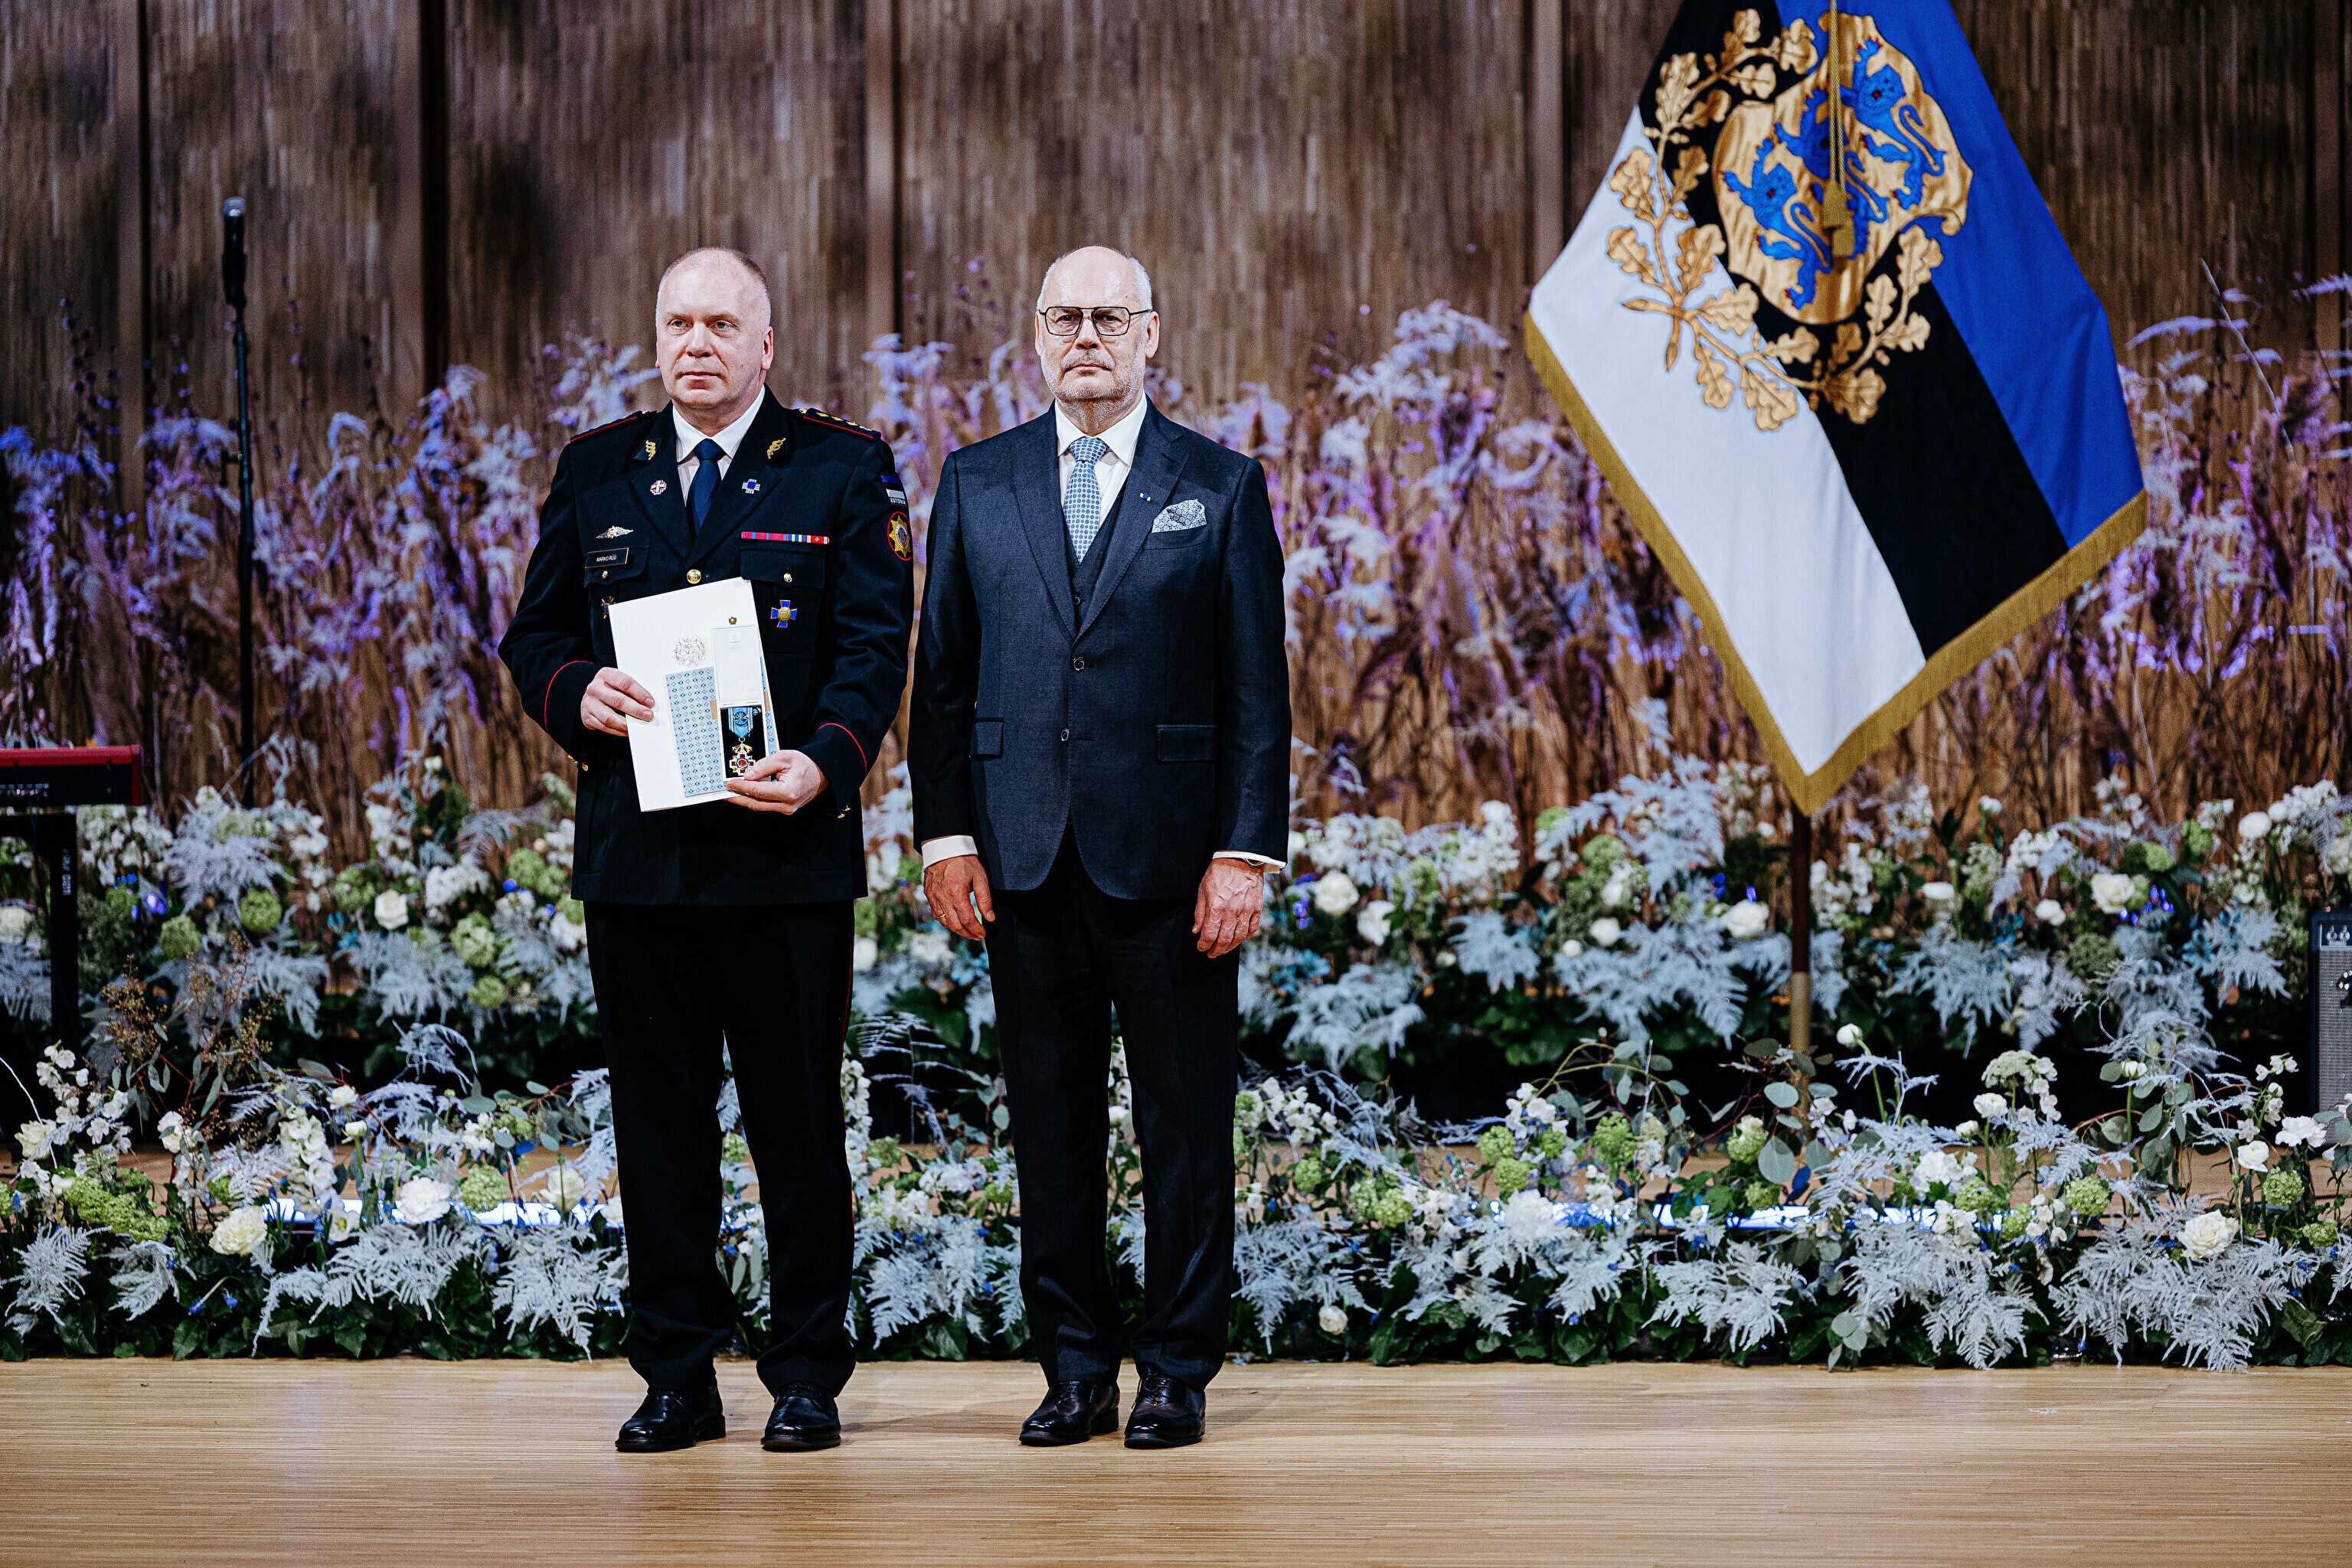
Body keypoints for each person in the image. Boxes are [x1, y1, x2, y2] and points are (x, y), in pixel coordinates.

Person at [500, 247, 912, 1455]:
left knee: (799, 1132)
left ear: (765, 346)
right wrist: (575, 691)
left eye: (722, 325)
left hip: (784, 859)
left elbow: (875, 647)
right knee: (659, 1132)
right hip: (642, 863)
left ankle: (806, 1376)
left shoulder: (841, 467)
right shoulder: (598, 469)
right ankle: (676, 1377)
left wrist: (828, 761)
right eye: (678, 323)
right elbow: (536, 637)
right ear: (656, 340)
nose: (697, 344)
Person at [907, 246, 1290, 1449]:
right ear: (1035, 336)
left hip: (1174, 867)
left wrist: (1244, 854)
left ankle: (1176, 1368)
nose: (1086, 336)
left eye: (1109, 318)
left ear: (1150, 334)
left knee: (1185, 1130)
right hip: (1021, 860)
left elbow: (1256, 695)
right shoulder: (977, 482)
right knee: (1051, 1129)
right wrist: (946, 836)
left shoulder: (1220, 486)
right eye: (1065, 317)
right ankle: (1075, 1370)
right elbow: (943, 677)